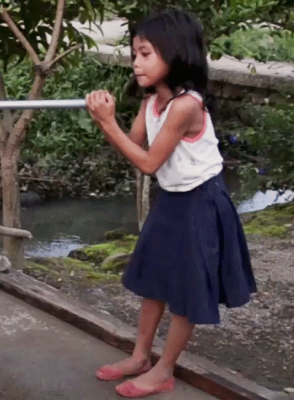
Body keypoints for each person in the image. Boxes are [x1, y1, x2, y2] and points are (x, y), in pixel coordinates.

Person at [84, 9, 257, 398]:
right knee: (155, 280)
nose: (136, 62)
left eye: (145, 53)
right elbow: (133, 144)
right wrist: (106, 119)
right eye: (134, 54)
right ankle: (140, 355)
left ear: (175, 54)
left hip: (201, 203)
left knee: (185, 289)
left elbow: (147, 163)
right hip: (173, 198)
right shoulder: (153, 101)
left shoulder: (186, 106)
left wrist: (107, 124)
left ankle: (164, 368)